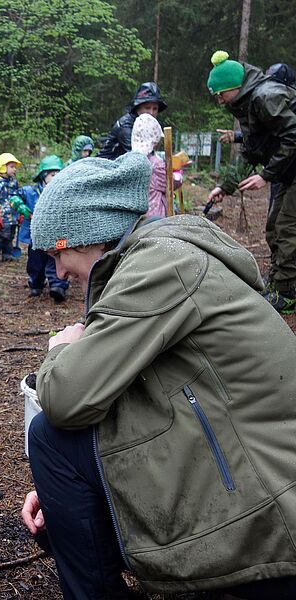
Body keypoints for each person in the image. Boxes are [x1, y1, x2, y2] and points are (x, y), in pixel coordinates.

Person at [20, 152, 296, 599]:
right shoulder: (163, 256)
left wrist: (60, 350)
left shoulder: (162, 266)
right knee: (64, 454)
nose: (60, 272)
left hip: (270, 515)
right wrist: (74, 492)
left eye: (58, 252)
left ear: (90, 234)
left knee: (51, 437)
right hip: (247, 477)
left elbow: (67, 396)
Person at [206, 51, 296, 314]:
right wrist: (225, 185)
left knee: (287, 227)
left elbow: (293, 134)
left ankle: (288, 293)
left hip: (290, 169)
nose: (219, 100)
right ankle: (281, 283)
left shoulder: (266, 96)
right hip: (288, 169)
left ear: (235, 87)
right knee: (274, 226)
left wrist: (266, 174)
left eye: (221, 93)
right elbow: (251, 149)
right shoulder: (246, 104)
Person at [16, 155, 68, 301]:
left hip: (57, 236)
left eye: (59, 174)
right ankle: (36, 283)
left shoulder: (64, 192)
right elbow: (14, 197)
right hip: (36, 236)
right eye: (52, 174)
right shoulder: (30, 192)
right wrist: (21, 207)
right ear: (43, 176)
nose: (56, 177)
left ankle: (58, 285)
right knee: (35, 262)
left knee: (57, 260)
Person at [97, 82, 167, 160]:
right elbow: (138, 156)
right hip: (106, 167)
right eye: (147, 108)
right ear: (137, 107)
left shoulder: (151, 125)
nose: (151, 112)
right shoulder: (126, 126)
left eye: (155, 109)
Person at [130, 113, 168, 217]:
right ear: (155, 140)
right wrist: (177, 175)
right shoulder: (156, 164)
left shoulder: (132, 160)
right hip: (155, 215)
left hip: (138, 215)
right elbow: (168, 184)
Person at [0, 152, 22, 261]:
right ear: (2, 167)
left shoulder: (13, 182)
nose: (14, 169)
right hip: (3, 215)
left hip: (13, 213)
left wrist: (20, 210)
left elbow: (18, 196)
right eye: (11, 167)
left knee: (11, 235)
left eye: (15, 167)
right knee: (3, 235)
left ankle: (7, 254)